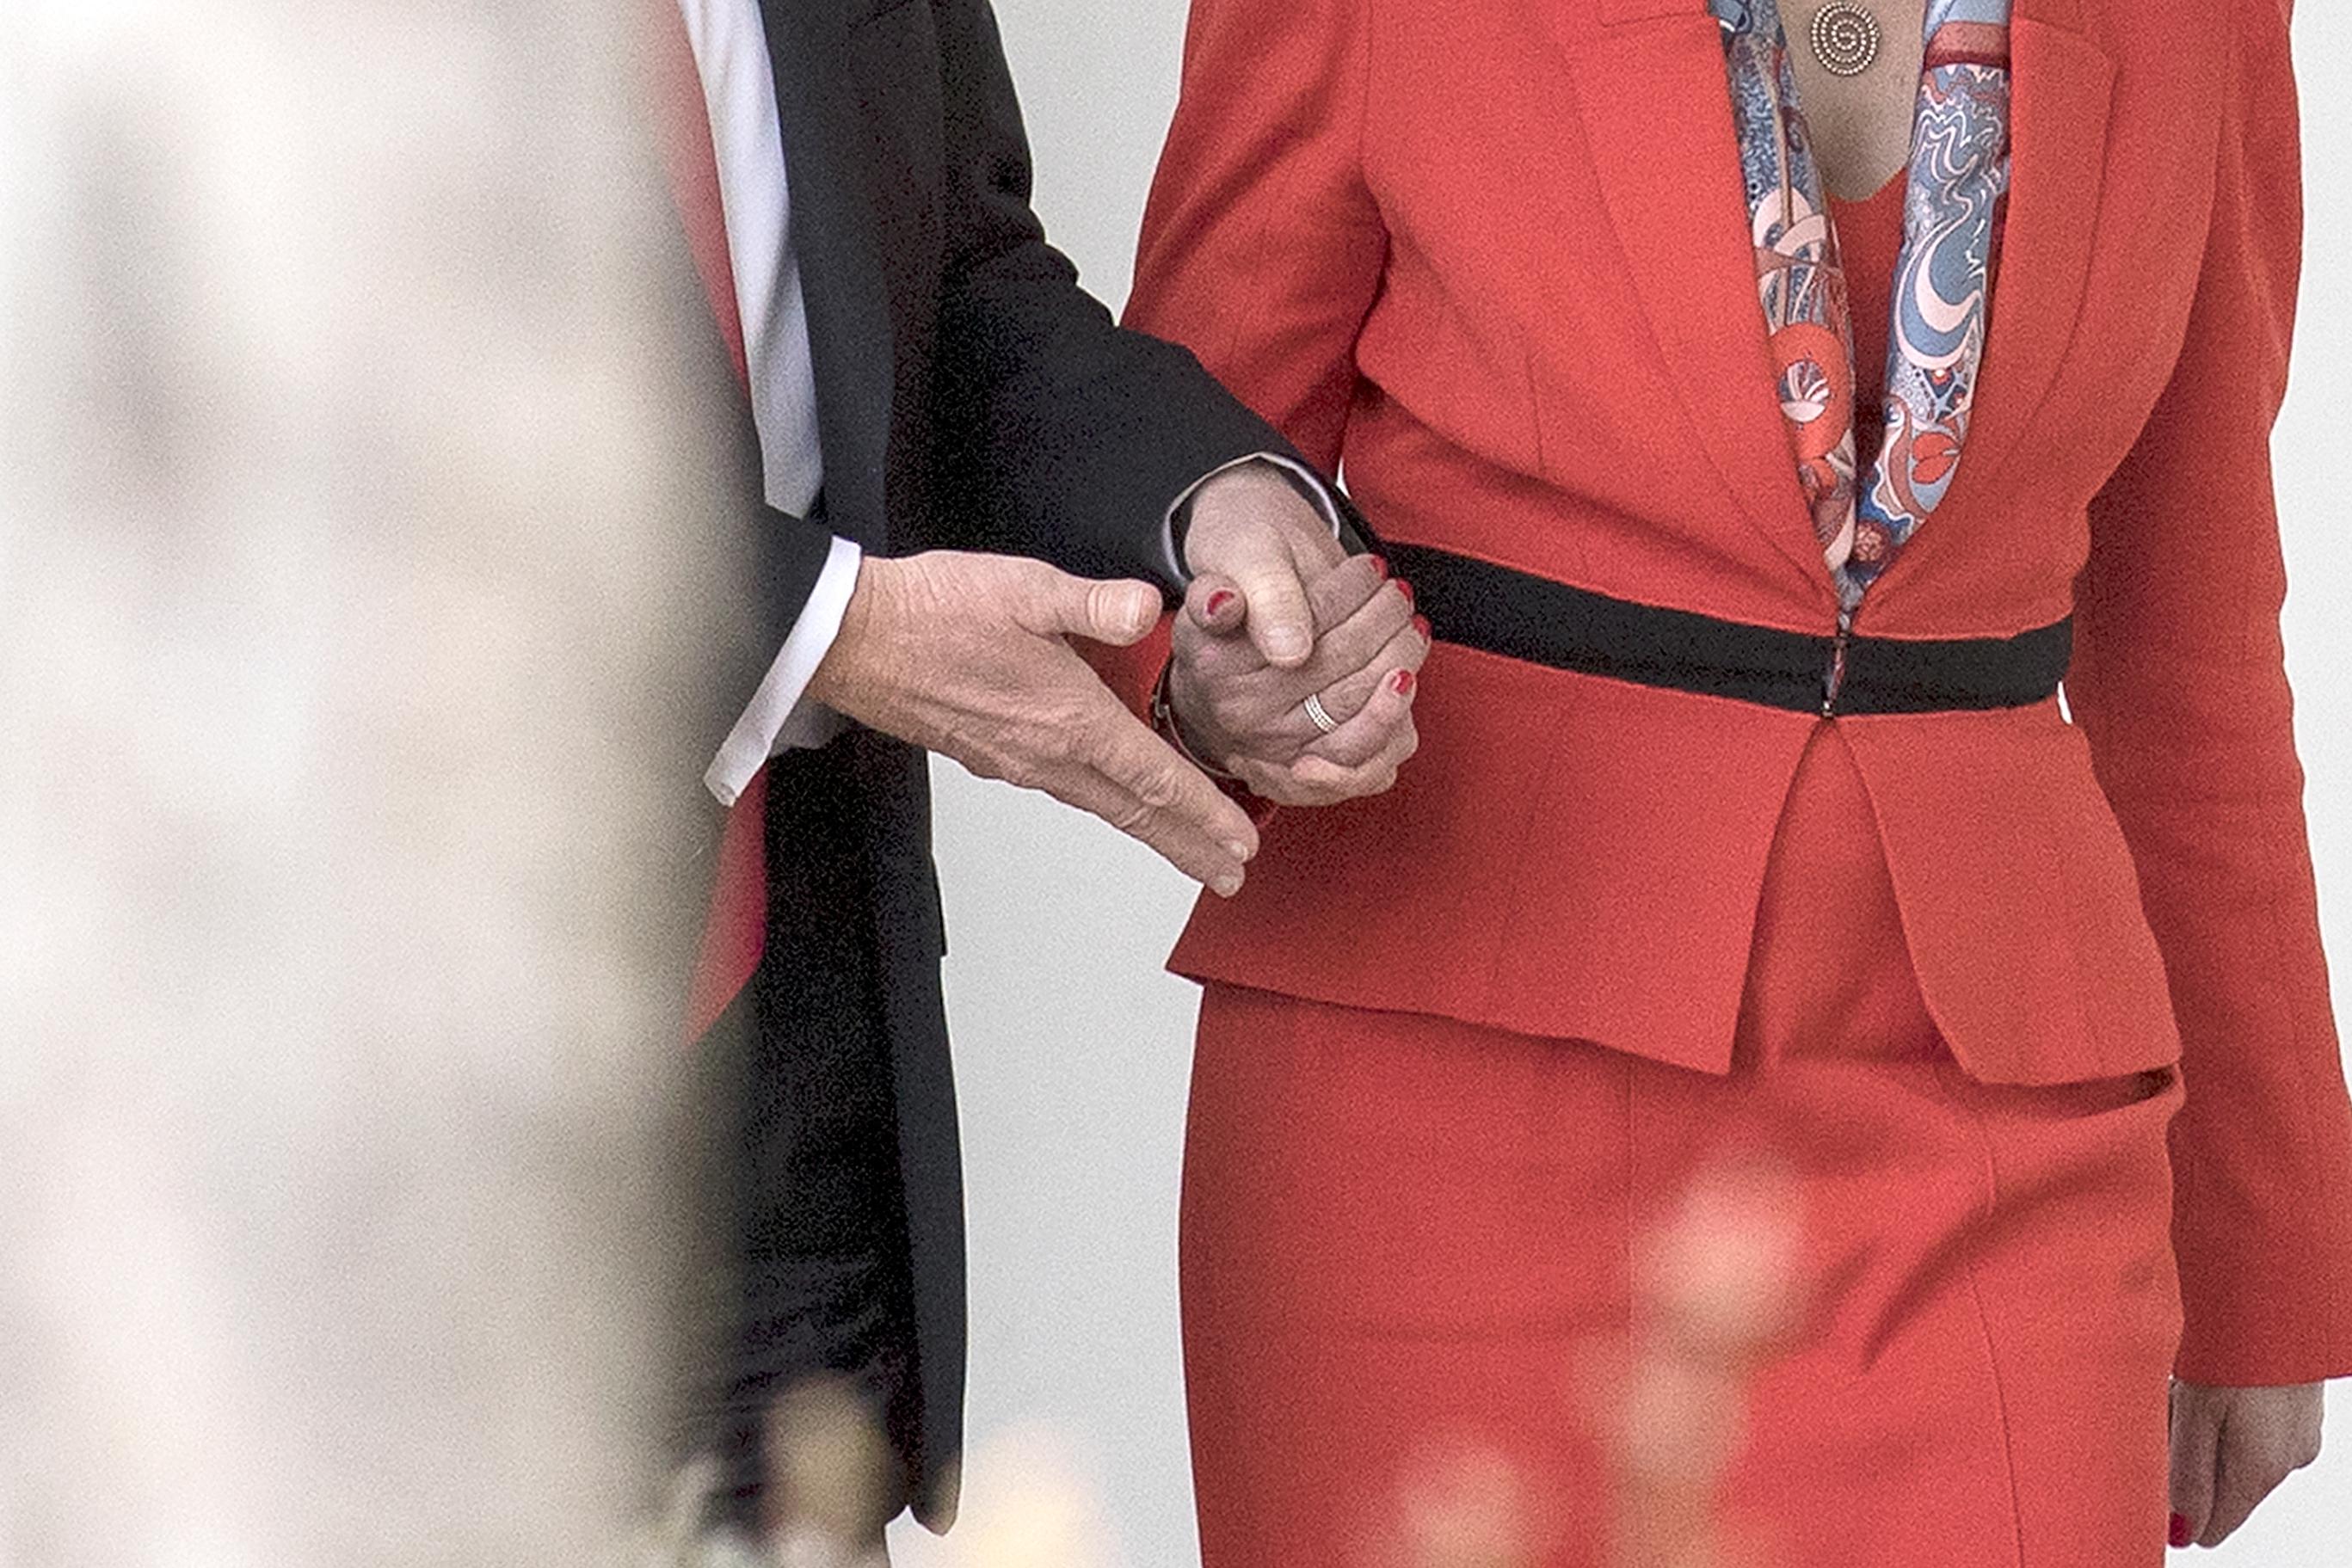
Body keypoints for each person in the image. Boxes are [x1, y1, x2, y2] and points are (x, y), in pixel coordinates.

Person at [1130, 0, 2352, 1561]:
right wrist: (1216, 672)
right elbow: (1160, 485)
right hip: (1429, 1104)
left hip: (1998, 1125)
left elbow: (2194, 671)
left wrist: (2263, 1252)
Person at [648, 0, 1428, 1554]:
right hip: (341, 1027)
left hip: (791, 1015)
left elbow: (957, 278)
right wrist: (826, 627)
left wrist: (1213, 502)